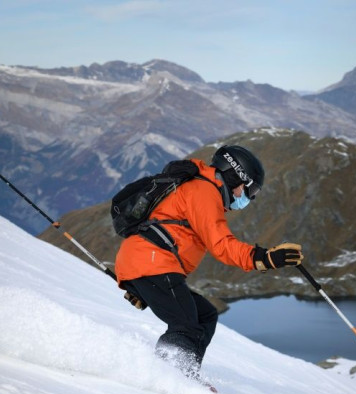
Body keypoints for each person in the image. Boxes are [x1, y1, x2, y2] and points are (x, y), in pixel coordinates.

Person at [114, 145, 303, 379]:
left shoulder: (200, 187)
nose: (248, 198)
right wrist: (264, 259)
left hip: (148, 264)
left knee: (204, 315)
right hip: (151, 262)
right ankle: (168, 376)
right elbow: (221, 245)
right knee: (185, 325)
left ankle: (185, 373)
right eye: (250, 190)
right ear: (236, 177)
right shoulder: (204, 191)